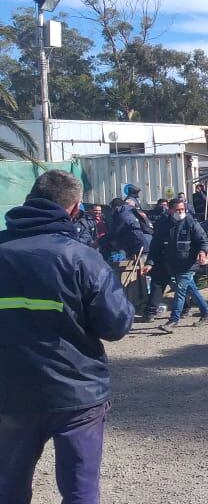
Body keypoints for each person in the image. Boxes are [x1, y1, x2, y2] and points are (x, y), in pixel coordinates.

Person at [0, 170, 134, 503]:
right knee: (80, 492)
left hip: (9, 395)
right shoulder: (83, 258)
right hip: (77, 395)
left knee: (7, 489)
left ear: (29, 199)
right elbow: (115, 325)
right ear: (74, 209)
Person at [145, 199, 208, 333]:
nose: (181, 212)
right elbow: (155, 247)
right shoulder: (164, 225)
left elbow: (203, 241)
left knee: (181, 291)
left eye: (182, 210)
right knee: (191, 290)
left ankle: (173, 320)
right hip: (174, 265)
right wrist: (149, 263)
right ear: (170, 211)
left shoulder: (191, 223)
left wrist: (202, 252)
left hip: (189, 264)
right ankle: (207, 315)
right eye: (177, 210)